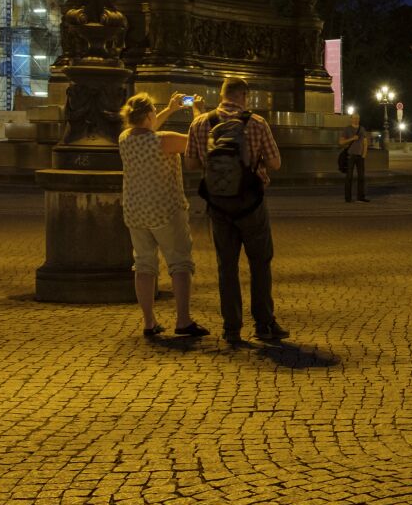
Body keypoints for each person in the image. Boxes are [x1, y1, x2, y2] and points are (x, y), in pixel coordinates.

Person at [187, 77, 286, 344]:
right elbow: (275, 163)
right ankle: (264, 325)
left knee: (226, 267)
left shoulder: (200, 123)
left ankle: (232, 328)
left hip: (218, 206)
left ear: (221, 95)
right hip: (252, 204)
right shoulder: (256, 122)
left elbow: (193, 163)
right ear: (244, 96)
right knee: (260, 264)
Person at [119, 92, 208, 339]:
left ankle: (149, 322)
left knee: (144, 265)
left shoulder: (125, 138)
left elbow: (146, 129)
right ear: (149, 115)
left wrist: (169, 109)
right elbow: (197, 141)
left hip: (136, 212)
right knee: (180, 263)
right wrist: (196, 111)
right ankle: (183, 320)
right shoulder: (164, 140)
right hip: (166, 211)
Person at [338, 111, 369, 202]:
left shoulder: (362, 129)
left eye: (358, 118)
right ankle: (348, 198)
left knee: (361, 177)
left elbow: (365, 143)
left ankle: (361, 197)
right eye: (354, 118)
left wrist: (364, 155)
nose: (356, 120)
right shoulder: (347, 129)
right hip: (350, 156)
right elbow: (341, 142)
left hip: (360, 156)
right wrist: (352, 138)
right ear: (351, 119)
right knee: (349, 177)